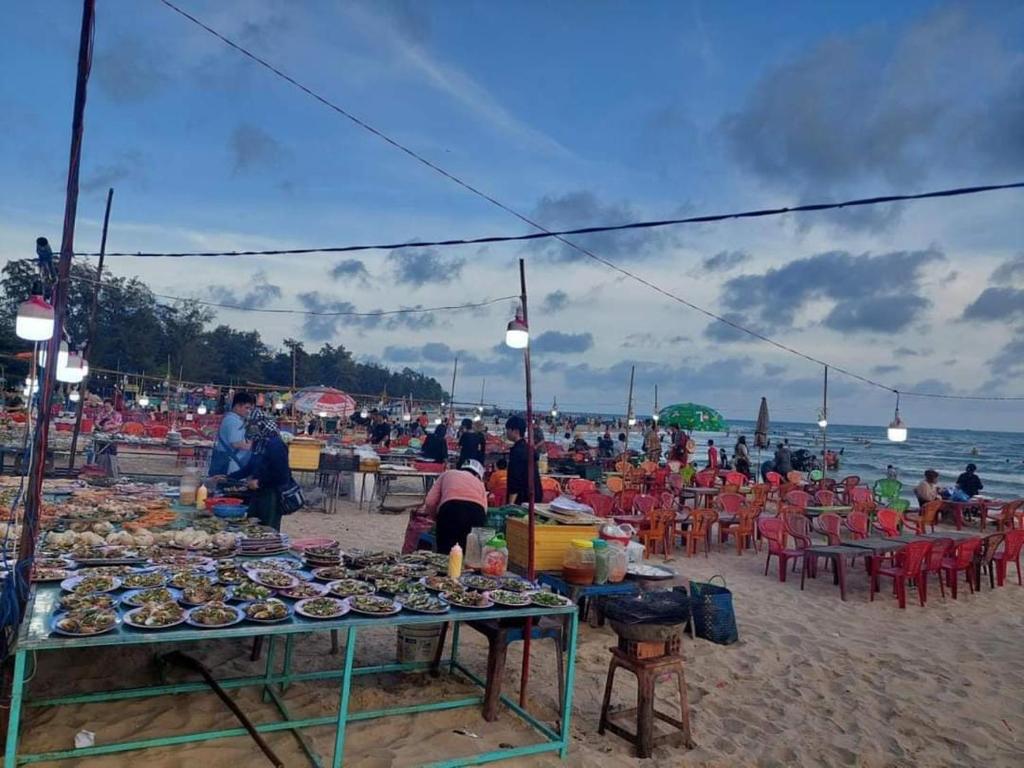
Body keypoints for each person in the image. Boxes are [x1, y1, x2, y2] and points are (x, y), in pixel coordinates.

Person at [224, 409, 294, 531]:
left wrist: (259, 483)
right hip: (257, 494)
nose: (249, 430)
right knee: (252, 527)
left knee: (267, 530)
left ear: (260, 425)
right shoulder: (259, 443)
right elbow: (251, 466)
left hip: (272, 495)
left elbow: (282, 476)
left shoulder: (275, 444)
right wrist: (229, 477)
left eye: (252, 427)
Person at [402, 459, 487, 554]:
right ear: (478, 475)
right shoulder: (480, 484)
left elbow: (430, 501)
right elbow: (484, 508)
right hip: (477, 513)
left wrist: (433, 517)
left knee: (445, 551)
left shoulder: (447, 474)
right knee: (467, 552)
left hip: (451, 509)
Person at [209, 392, 253, 476]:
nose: (248, 411)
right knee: (229, 482)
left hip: (226, 459)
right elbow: (236, 444)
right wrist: (254, 446)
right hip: (231, 462)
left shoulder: (229, 418)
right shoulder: (234, 421)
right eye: (246, 408)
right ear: (237, 406)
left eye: (250, 409)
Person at [505, 415, 541, 504]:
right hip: (535, 495)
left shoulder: (517, 451)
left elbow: (515, 479)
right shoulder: (529, 449)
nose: (506, 432)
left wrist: (511, 504)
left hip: (522, 498)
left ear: (516, 431)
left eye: (508, 429)